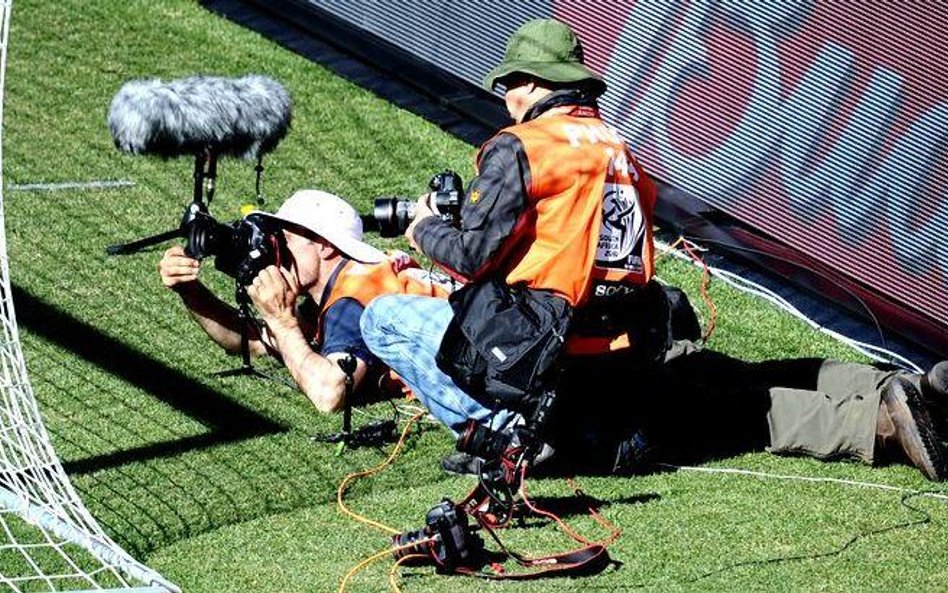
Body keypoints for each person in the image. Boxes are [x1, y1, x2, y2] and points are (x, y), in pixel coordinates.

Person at [360, 18, 948, 481]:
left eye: (509, 86)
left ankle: (506, 440)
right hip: (628, 343)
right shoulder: (617, 147)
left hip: (557, 361)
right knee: (727, 381)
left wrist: (423, 228)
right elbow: (571, 238)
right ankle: (901, 389)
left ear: (533, 84)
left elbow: (475, 256)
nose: (505, 99)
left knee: (384, 317)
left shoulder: (523, 146)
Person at [159, 189, 447, 412]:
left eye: (286, 240)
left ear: (323, 245)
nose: (277, 249)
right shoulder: (352, 279)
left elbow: (330, 394)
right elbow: (255, 342)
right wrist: (191, 290)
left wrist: (282, 322)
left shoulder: (352, 299)